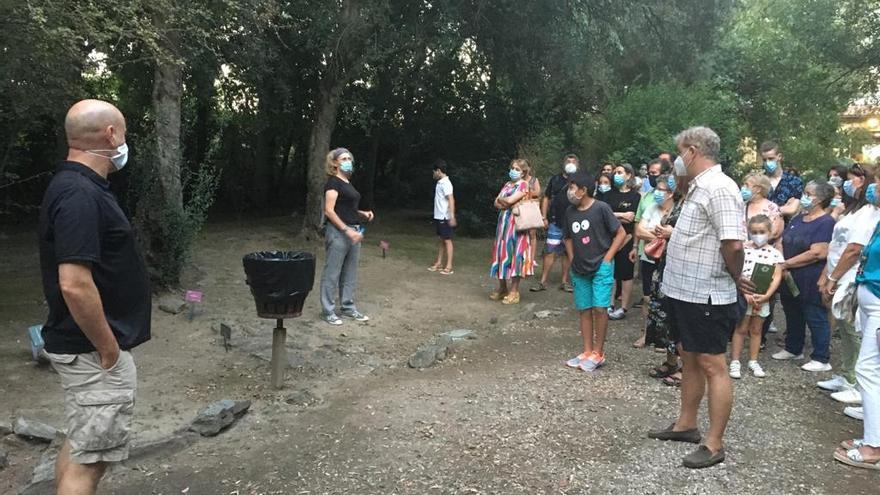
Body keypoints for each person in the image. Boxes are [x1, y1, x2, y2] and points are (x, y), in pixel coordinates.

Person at [39, 100, 150, 495]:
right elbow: (74, 282)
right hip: (93, 353)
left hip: (87, 350)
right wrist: (108, 349)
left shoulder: (78, 186)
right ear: (111, 135)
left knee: (82, 445)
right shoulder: (79, 194)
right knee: (90, 463)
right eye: (124, 134)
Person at [647, 126, 747, 469]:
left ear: (691, 151)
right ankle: (686, 425)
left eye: (678, 152)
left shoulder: (720, 188)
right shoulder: (698, 187)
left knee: (712, 364)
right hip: (683, 290)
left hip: (706, 293)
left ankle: (714, 443)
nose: (676, 159)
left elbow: (733, 243)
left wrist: (737, 276)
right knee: (688, 354)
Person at [817, 167, 879, 399]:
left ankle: (855, 383)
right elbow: (838, 245)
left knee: (853, 329)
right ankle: (846, 373)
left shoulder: (871, 212)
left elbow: (854, 249)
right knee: (844, 326)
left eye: (855, 180)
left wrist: (834, 277)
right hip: (838, 272)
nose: (848, 184)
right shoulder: (855, 210)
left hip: (852, 276)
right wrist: (827, 273)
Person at [834, 177, 880, 470]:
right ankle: (871, 436)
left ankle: (873, 447)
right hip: (871, 298)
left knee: (867, 369)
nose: (874, 188)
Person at [562, 172, 626, 372]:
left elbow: (621, 233)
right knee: (584, 309)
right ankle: (587, 350)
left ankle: (598, 352)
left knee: (600, 308)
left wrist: (608, 258)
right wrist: (572, 259)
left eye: (573, 188)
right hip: (579, 268)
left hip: (601, 266)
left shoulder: (601, 208)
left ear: (584, 190)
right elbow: (568, 238)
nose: (570, 192)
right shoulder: (570, 212)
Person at [771, 182, 835, 371]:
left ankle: (821, 357)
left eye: (809, 194)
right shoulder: (799, 217)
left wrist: (787, 263)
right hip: (788, 275)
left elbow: (818, 252)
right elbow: (783, 240)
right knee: (792, 312)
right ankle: (793, 348)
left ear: (820, 199)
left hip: (810, 276)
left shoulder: (826, 223)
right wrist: (781, 259)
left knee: (815, 316)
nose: (804, 197)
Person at [320, 148, 375, 325]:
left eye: (349, 158)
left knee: (350, 273)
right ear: (334, 163)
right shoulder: (333, 183)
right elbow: (329, 210)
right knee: (332, 273)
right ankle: (328, 311)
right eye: (344, 158)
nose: (348, 161)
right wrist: (346, 230)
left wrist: (362, 214)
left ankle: (348, 308)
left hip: (354, 231)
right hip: (339, 233)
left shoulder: (347, 183)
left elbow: (346, 209)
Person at [644, 175, 687, 387]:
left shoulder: (697, 203)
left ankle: (687, 369)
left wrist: (673, 232)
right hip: (665, 265)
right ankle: (671, 362)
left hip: (685, 268)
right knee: (664, 315)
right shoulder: (678, 202)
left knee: (681, 317)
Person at [729, 215, 784, 379]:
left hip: (763, 297)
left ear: (769, 232)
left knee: (756, 329)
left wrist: (767, 295)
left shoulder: (775, 253)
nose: (758, 235)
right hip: (745, 296)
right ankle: (735, 360)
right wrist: (745, 293)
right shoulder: (744, 249)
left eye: (761, 231)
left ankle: (753, 360)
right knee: (741, 328)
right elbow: (737, 273)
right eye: (754, 232)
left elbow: (777, 276)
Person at [635, 174, 676, 349]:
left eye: (661, 190)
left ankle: (665, 338)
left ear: (671, 193)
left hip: (668, 261)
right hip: (649, 257)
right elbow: (639, 231)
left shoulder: (676, 210)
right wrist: (661, 235)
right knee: (647, 297)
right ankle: (646, 334)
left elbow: (675, 235)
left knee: (667, 299)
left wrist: (652, 234)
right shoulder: (651, 207)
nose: (657, 193)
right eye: (656, 189)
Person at [597, 163, 640, 320]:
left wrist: (635, 244)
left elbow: (634, 219)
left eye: (620, 172)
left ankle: (623, 308)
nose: (616, 175)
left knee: (626, 273)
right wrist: (622, 215)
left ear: (629, 175)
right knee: (611, 272)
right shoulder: (610, 194)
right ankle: (609, 304)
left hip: (628, 239)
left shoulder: (636, 196)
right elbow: (603, 214)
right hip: (609, 239)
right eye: (615, 172)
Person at [489, 158, 534, 304]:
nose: (513, 171)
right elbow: (496, 202)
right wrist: (505, 201)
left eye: (517, 169)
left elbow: (507, 201)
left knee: (516, 255)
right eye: (512, 168)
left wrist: (504, 201)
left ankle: (514, 291)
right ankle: (502, 288)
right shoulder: (508, 184)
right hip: (503, 225)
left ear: (523, 172)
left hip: (517, 226)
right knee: (501, 254)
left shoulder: (524, 185)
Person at [531, 155, 578, 293]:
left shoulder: (580, 180)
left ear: (577, 164)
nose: (570, 164)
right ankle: (542, 281)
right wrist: (544, 216)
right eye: (568, 161)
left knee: (567, 252)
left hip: (573, 222)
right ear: (563, 163)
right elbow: (546, 198)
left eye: (573, 162)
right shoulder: (555, 179)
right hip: (555, 221)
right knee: (550, 251)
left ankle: (564, 281)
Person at [761, 141, 803, 218]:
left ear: (779, 157)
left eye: (771, 159)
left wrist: (765, 211)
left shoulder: (794, 181)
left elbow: (793, 209)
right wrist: (783, 209)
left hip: (786, 227)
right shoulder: (759, 181)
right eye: (764, 160)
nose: (767, 163)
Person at [428, 159, 456, 275]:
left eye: (434, 172)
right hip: (439, 217)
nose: (433, 174)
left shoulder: (446, 183)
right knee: (442, 240)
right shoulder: (440, 183)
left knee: (447, 240)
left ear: (438, 171)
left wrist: (452, 216)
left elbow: (451, 199)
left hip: (445, 217)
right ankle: (439, 262)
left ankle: (449, 266)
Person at [741, 172, 784, 244]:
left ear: (758, 189)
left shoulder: (772, 208)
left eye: (747, 185)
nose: (743, 188)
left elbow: (774, 232)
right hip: (743, 252)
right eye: (743, 185)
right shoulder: (742, 206)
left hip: (763, 252)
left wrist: (753, 243)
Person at [524, 163, 542, 268]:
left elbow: (537, 192)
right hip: (520, 210)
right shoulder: (517, 180)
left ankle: (531, 258)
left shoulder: (534, 180)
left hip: (530, 209)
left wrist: (525, 191)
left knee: (532, 234)